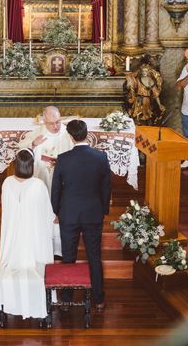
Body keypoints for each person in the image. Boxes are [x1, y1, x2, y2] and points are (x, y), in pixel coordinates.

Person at [51, 120, 111, 311]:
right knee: (94, 256)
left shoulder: (63, 159)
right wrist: (103, 211)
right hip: (93, 213)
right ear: (87, 134)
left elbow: (55, 190)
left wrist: (56, 212)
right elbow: (106, 187)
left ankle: (67, 300)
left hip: (69, 214)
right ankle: (99, 299)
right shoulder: (101, 157)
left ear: (70, 136)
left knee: (68, 256)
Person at [0, 149, 55, 326]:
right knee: (35, 265)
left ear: (16, 165)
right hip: (33, 238)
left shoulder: (6, 183)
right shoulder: (38, 185)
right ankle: (38, 307)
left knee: (13, 266)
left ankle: (12, 305)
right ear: (32, 165)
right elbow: (48, 214)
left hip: (13, 238)